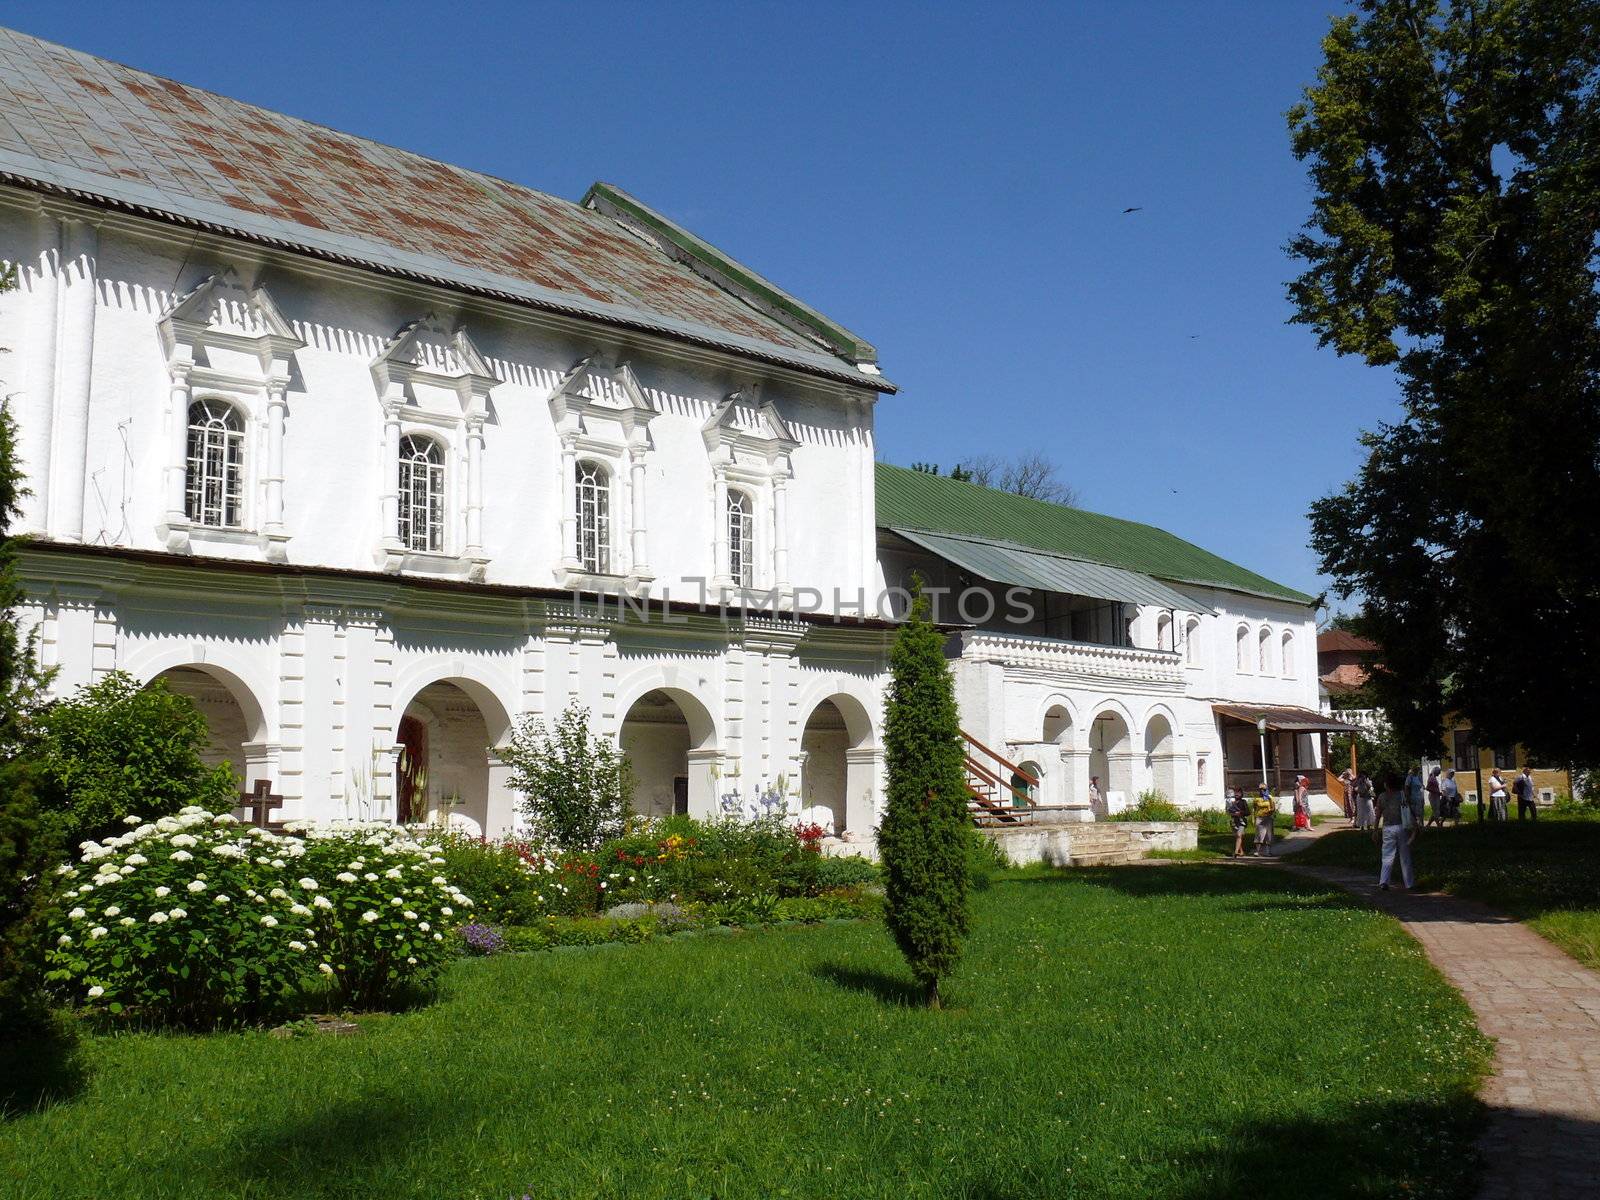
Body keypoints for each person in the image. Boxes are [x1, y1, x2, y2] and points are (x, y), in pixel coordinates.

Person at [1374, 772, 1417, 890]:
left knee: (1387, 855)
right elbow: (1409, 810)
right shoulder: (1402, 795)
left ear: (1386, 784)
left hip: (1388, 828)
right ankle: (1409, 883)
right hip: (1402, 827)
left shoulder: (1382, 797)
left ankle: (1384, 881)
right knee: (1405, 856)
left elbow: (1378, 815)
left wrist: (1375, 830)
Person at [1252, 786, 1276, 856]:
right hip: (1259, 818)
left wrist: (1270, 799)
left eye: (1264, 789)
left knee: (1268, 835)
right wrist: (1253, 818)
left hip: (1268, 818)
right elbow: (1253, 809)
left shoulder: (1270, 798)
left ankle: (1268, 852)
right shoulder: (1256, 799)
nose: (1262, 791)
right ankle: (1258, 851)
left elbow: (1273, 808)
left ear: (1266, 790)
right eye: (1260, 790)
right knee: (1259, 835)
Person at [1226, 788, 1250, 858]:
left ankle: (1236, 852)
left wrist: (1240, 813)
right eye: (1235, 793)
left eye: (1238, 793)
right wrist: (1233, 813)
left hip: (1241, 821)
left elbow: (1248, 812)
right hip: (1234, 821)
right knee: (1237, 836)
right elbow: (1228, 812)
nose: (1236, 794)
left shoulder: (1243, 802)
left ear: (1241, 794)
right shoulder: (1230, 802)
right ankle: (1241, 852)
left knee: (1239, 835)